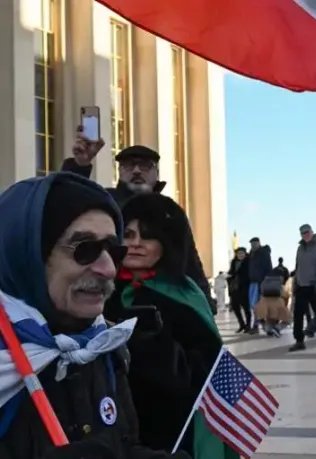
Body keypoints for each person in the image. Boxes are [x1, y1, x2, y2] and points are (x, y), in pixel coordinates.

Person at [0, 172, 185, 458]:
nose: (108, 269)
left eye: (113, 250)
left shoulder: (105, 345)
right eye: (84, 249)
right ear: (28, 255)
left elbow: (122, 444)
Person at [103, 194, 225, 457]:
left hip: (170, 429)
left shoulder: (184, 295)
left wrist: (144, 344)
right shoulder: (100, 291)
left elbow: (205, 372)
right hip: (114, 423)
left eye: (147, 236)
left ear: (165, 243)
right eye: (128, 234)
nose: (135, 244)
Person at [63, 130, 213, 307]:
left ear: (156, 172)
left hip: (163, 301)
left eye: (144, 165)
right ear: (119, 171)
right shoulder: (105, 201)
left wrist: (205, 302)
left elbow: (189, 259)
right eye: (128, 165)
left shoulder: (170, 211)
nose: (136, 170)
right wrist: (80, 165)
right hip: (110, 300)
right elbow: (66, 202)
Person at [227, 247, 252, 332]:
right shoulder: (233, 262)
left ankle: (248, 325)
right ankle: (242, 324)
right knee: (235, 307)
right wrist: (229, 276)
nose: (240, 255)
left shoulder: (248, 262)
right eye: (238, 253)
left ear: (245, 254)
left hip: (244, 287)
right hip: (234, 288)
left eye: (242, 253)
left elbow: (249, 274)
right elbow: (231, 272)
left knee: (246, 308)